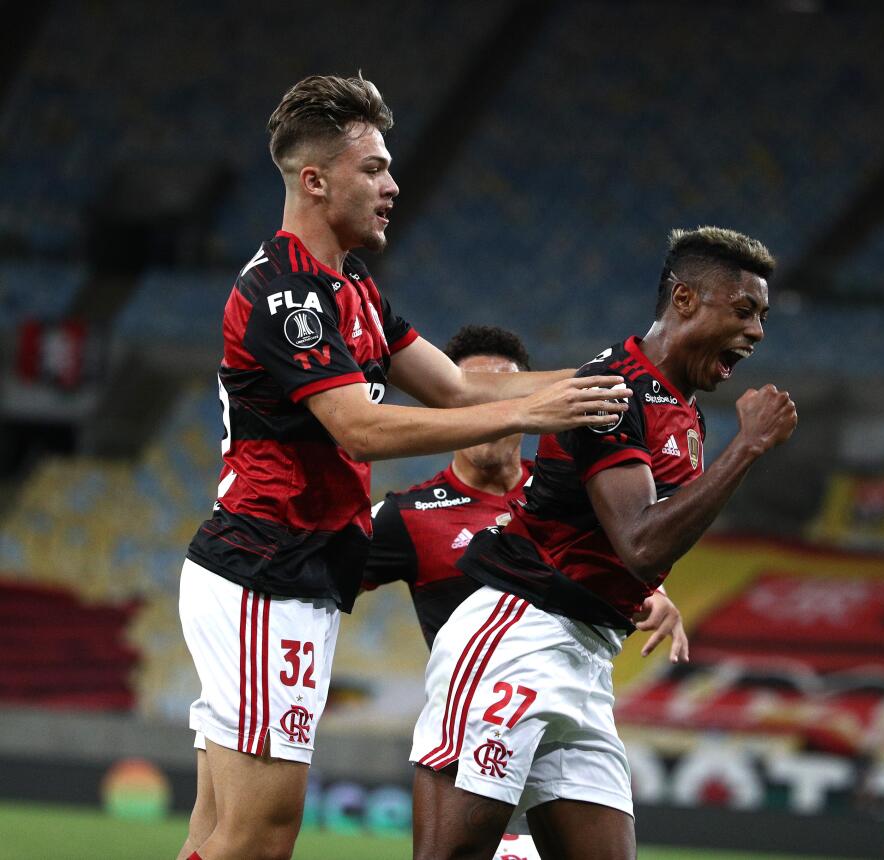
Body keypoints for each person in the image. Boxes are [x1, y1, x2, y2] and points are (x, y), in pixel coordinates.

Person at [175, 74, 629, 860]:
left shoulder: (352, 289)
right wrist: (528, 413)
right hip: (263, 570)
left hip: (291, 576)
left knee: (220, 833)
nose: (391, 185)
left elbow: (456, 386)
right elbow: (358, 428)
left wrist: (619, 378)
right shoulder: (286, 294)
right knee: (259, 835)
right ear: (314, 180)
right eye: (373, 168)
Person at [409, 226, 798, 859]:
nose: (756, 331)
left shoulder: (686, 411)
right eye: (744, 309)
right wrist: (748, 447)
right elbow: (640, 542)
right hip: (520, 635)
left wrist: (651, 593)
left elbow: (633, 551)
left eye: (762, 316)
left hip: (589, 655)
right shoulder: (610, 388)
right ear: (685, 301)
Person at [362, 324, 688, 860]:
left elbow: (623, 552)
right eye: (477, 394)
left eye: (508, 393)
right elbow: (324, 575)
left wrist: (657, 593)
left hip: (565, 705)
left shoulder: (568, 491)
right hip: (483, 725)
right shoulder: (408, 515)